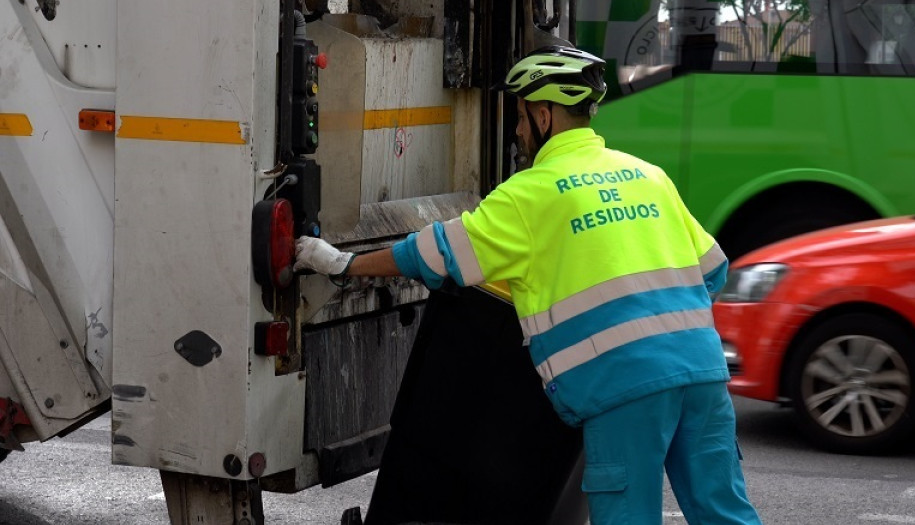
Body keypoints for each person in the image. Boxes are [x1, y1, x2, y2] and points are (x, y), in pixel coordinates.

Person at [294, 45, 762, 525]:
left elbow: (431, 255)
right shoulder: (649, 176)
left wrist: (343, 264)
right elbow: (711, 271)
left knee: (628, 516)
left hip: (625, 388)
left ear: (544, 115)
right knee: (724, 511)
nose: (517, 131)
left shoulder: (530, 193)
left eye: (520, 117)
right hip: (702, 372)